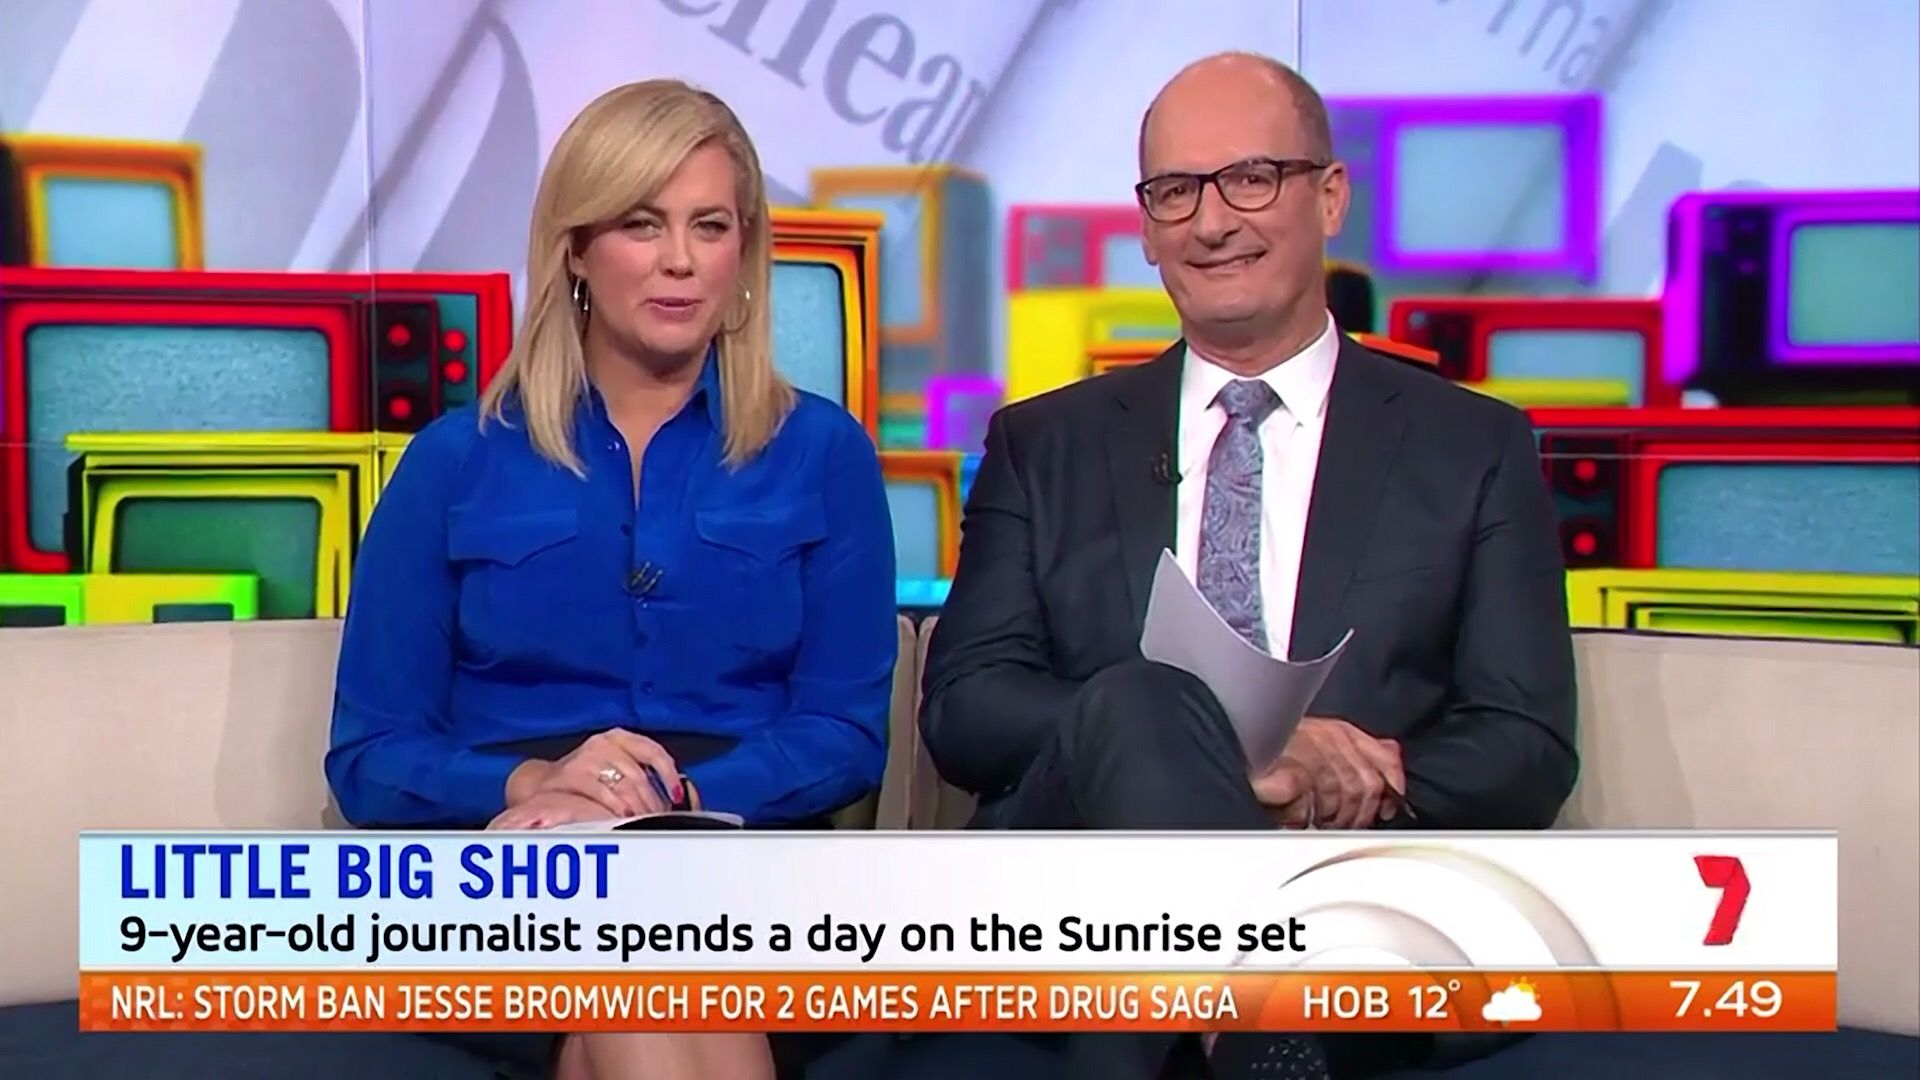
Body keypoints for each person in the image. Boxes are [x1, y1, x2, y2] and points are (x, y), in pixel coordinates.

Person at [916, 52, 1578, 1080]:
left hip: (1350, 892)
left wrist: (1332, 780)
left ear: (1331, 196)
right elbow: (967, 708)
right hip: (1073, 893)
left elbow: (1525, 742)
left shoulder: (1470, 447)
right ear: (1146, 227)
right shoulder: (1044, 443)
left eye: (1251, 179)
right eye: (1176, 191)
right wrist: (1220, 746)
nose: (1212, 222)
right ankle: (1263, 1025)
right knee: (1142, 700)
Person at [325, 79, 898, 1080]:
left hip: (744, 851)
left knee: (650, 925)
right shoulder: (455, 462)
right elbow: (370, 754)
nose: (681, 259)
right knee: (643, 942)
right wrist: (534, 788)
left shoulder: (821, 452)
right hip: (512, 861)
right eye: (641, 223)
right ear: (576, 250)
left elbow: (845, 732)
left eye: (709, 225)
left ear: (744, 253)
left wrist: (669, 809)